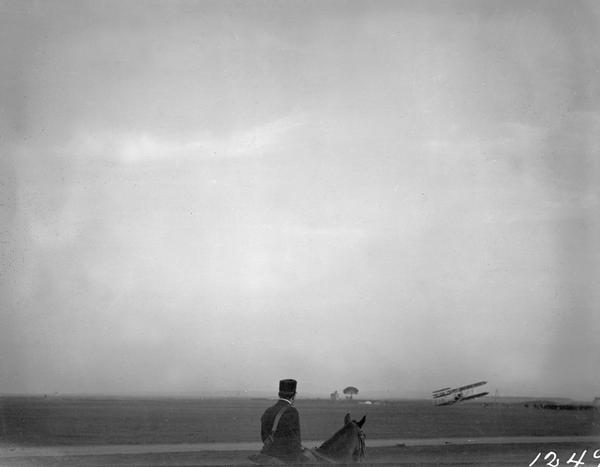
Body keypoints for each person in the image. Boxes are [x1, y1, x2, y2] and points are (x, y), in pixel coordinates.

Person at [260, 379, 313, 464]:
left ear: (279, 394)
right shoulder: (292, 411)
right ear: (294, 395)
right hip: (286, 458)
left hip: (268, 453)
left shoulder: (268, 410)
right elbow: (295, 440)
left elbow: (264, 436)